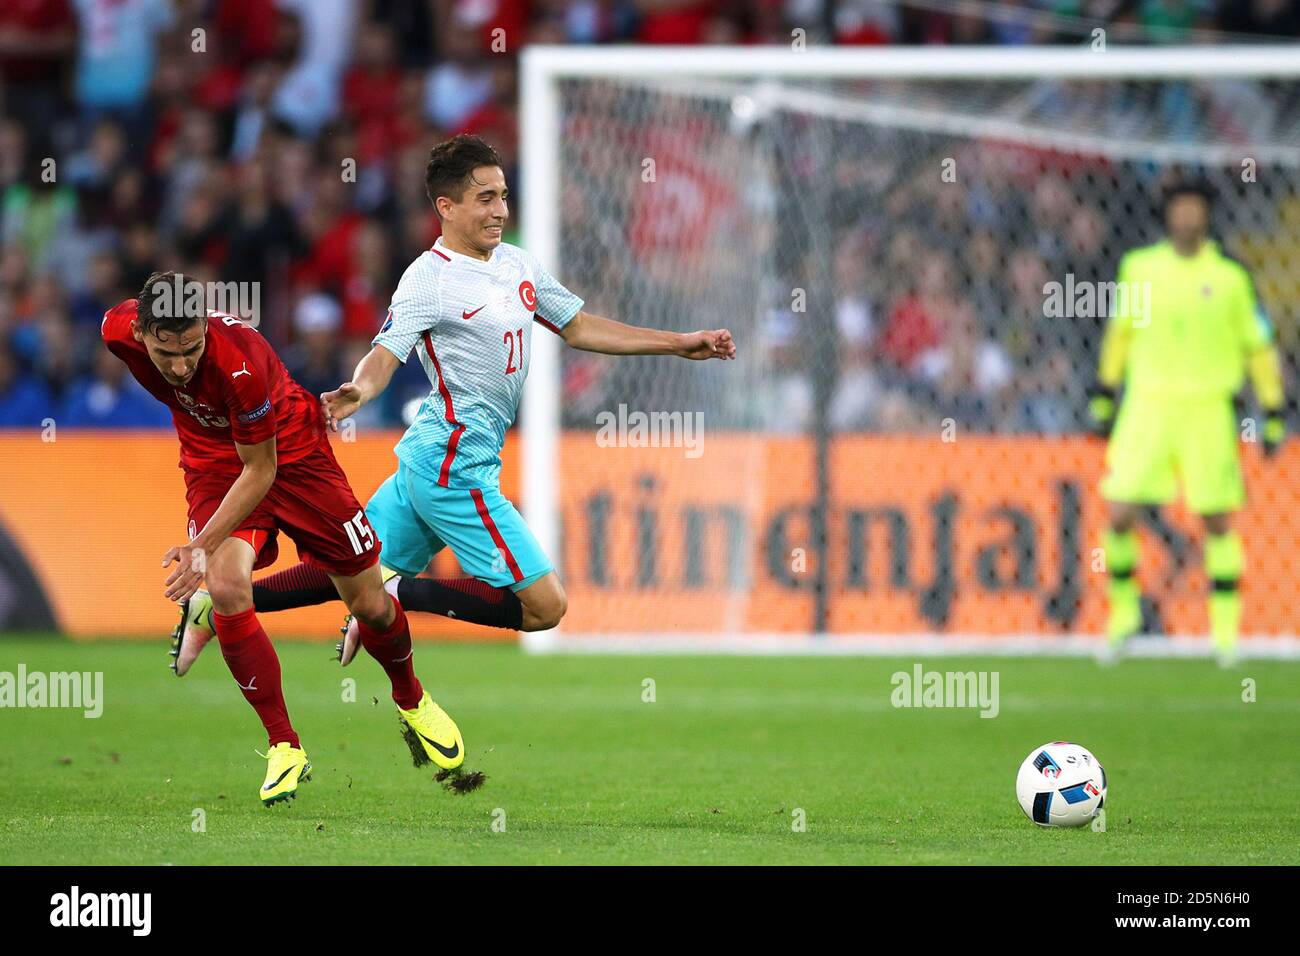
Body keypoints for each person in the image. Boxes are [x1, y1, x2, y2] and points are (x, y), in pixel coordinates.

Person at [170, 133, 735, 670]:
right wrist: (359, 391)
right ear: (447, 206)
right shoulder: (428, 279)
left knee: (342, 573)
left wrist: (678, 343)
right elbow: (386, 352)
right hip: (452, 467)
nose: (500, 211)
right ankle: (400, 592)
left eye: (504, 197)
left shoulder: (517, 264)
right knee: (546, 606)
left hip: (429, 458)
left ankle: (211, 608)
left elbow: (580, 326)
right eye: (485, 198)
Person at [102, 271, 465, 805]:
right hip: (213, 462)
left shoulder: (239, 364)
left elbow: (262, 470)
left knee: (369, 600)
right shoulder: (116, 330)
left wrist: (200, 544)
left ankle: (410, 697)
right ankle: (284, 744)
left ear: (205, 327)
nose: (180, 368)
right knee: (226, 587)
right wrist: (210, 549)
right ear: (141, 333)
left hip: (291, 453)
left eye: (191, 350)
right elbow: (237, 468)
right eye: (165, 354)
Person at [1089, 179, 1287, 666]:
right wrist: (1105, 394)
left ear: (1207, 216)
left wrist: (1274, 409)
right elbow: (1120, 334)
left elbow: (1257, 347)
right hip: (1148, 404)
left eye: (1195, 209)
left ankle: (1224, 635)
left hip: (1208, 408)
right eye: (1180, 209)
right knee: (1119, 510)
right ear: (1167, 214)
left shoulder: (1230, 278)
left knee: (1217, 519)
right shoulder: (1140, 269)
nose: (1187, 218)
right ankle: (1124, 618)